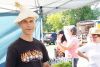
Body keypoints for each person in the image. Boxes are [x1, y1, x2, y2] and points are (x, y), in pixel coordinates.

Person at [6, 2, 50, 67]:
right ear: (20, 24)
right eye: (25, 22)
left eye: (31, 21)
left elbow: (45, 64)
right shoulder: (13, 48)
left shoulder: (40, 45)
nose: (29, 25)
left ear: (35, 24)